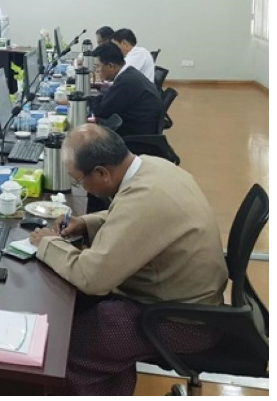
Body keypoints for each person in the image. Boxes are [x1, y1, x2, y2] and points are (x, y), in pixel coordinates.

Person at [29, 124, 227, 396]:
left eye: (78, 180)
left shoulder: (145, 198)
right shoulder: (153, 167)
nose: (80, 186)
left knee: (64, 349)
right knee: (89, 321)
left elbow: (92, 278)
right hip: (183, 304)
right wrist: (86, 223)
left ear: (102, 173)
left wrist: (47, 243)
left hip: (182, 323)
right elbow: (130, 216)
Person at [89, 43, 163, 137]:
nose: (96, 70)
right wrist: (91, 99)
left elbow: (101, 112)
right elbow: (107, 99)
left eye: (97, 66)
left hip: (135, 135)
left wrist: (86, 100)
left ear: (111, 66)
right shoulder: (129, 73)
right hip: (139, 127)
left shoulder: (125, 81)